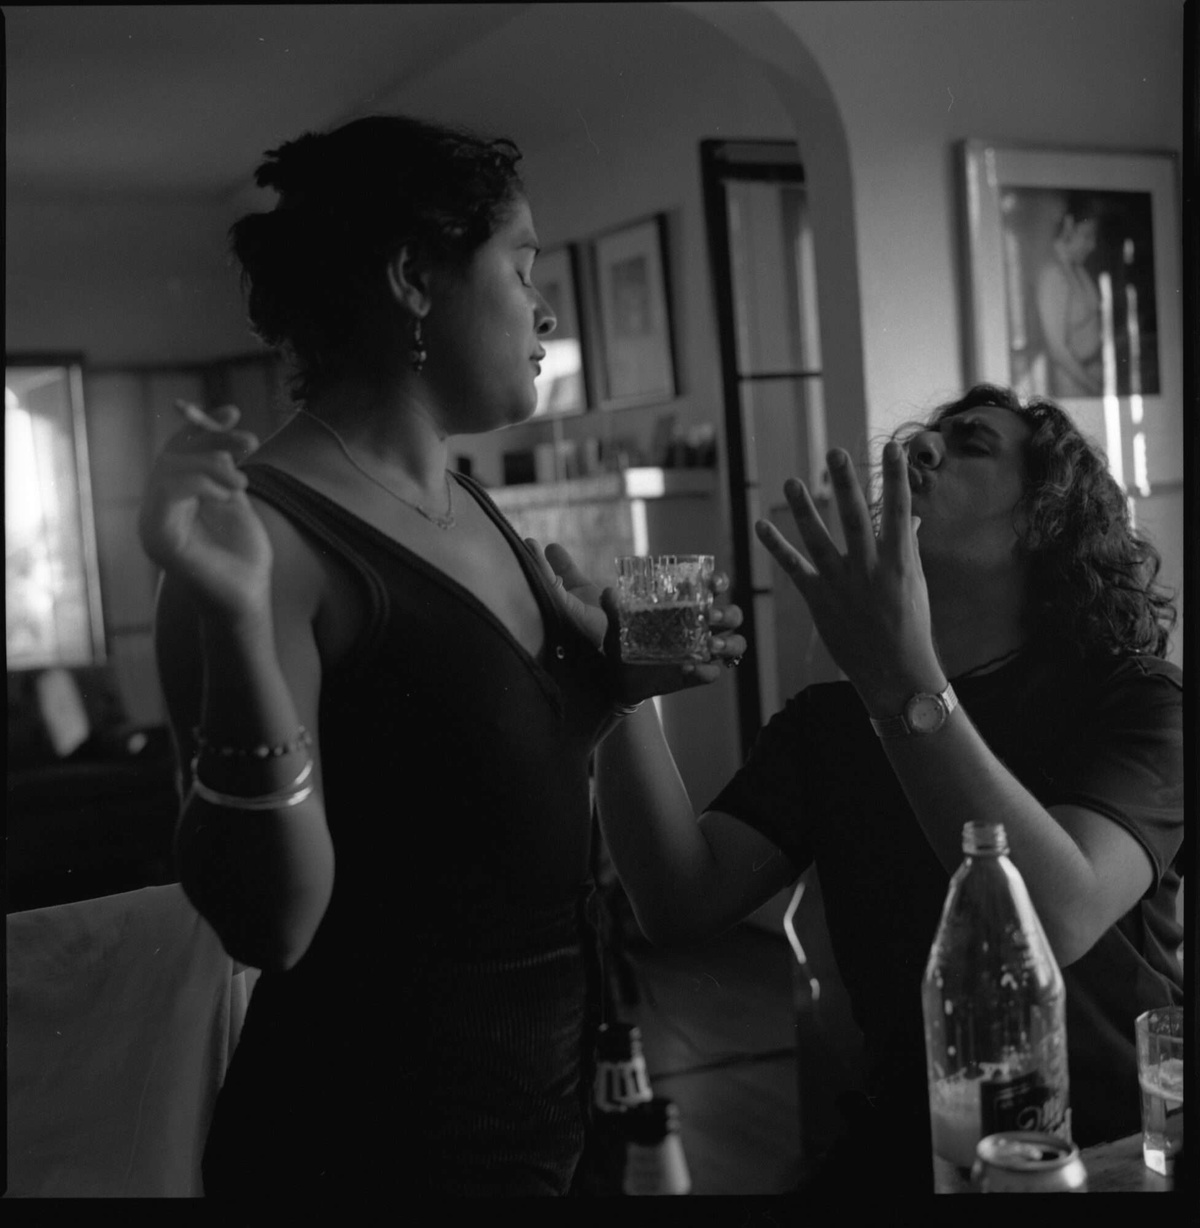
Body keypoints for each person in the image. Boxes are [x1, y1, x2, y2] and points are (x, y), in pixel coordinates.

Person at [137, 113, 746, 1198]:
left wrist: (613, 695)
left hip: (545, 1125)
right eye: (520, 267)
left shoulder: (474, 504)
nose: (547, 307)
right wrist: (233, 620)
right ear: (415, 278)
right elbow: (273, 924)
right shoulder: (256, 542)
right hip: (368, 1157)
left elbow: (473, 804)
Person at [588, 383, 1183, 1193]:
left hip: (1115, 1157)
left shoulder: (1140, 698)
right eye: (920, 438)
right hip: (912, 1150)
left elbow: (1059, 911)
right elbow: (676, 897)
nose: (917, 451)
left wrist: (898, 678)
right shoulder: (833, 721)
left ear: (1048, 519)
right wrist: (619, 697)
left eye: (971, 443)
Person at [1035, 194, 1104, 398]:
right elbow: (1058, 350)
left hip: (1092, 374)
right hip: (1074, 383)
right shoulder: (1053, 276)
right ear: (1068, 226)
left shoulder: (1076, 268)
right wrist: (1095, 388)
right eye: (1087, 236)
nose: (1092, 245)